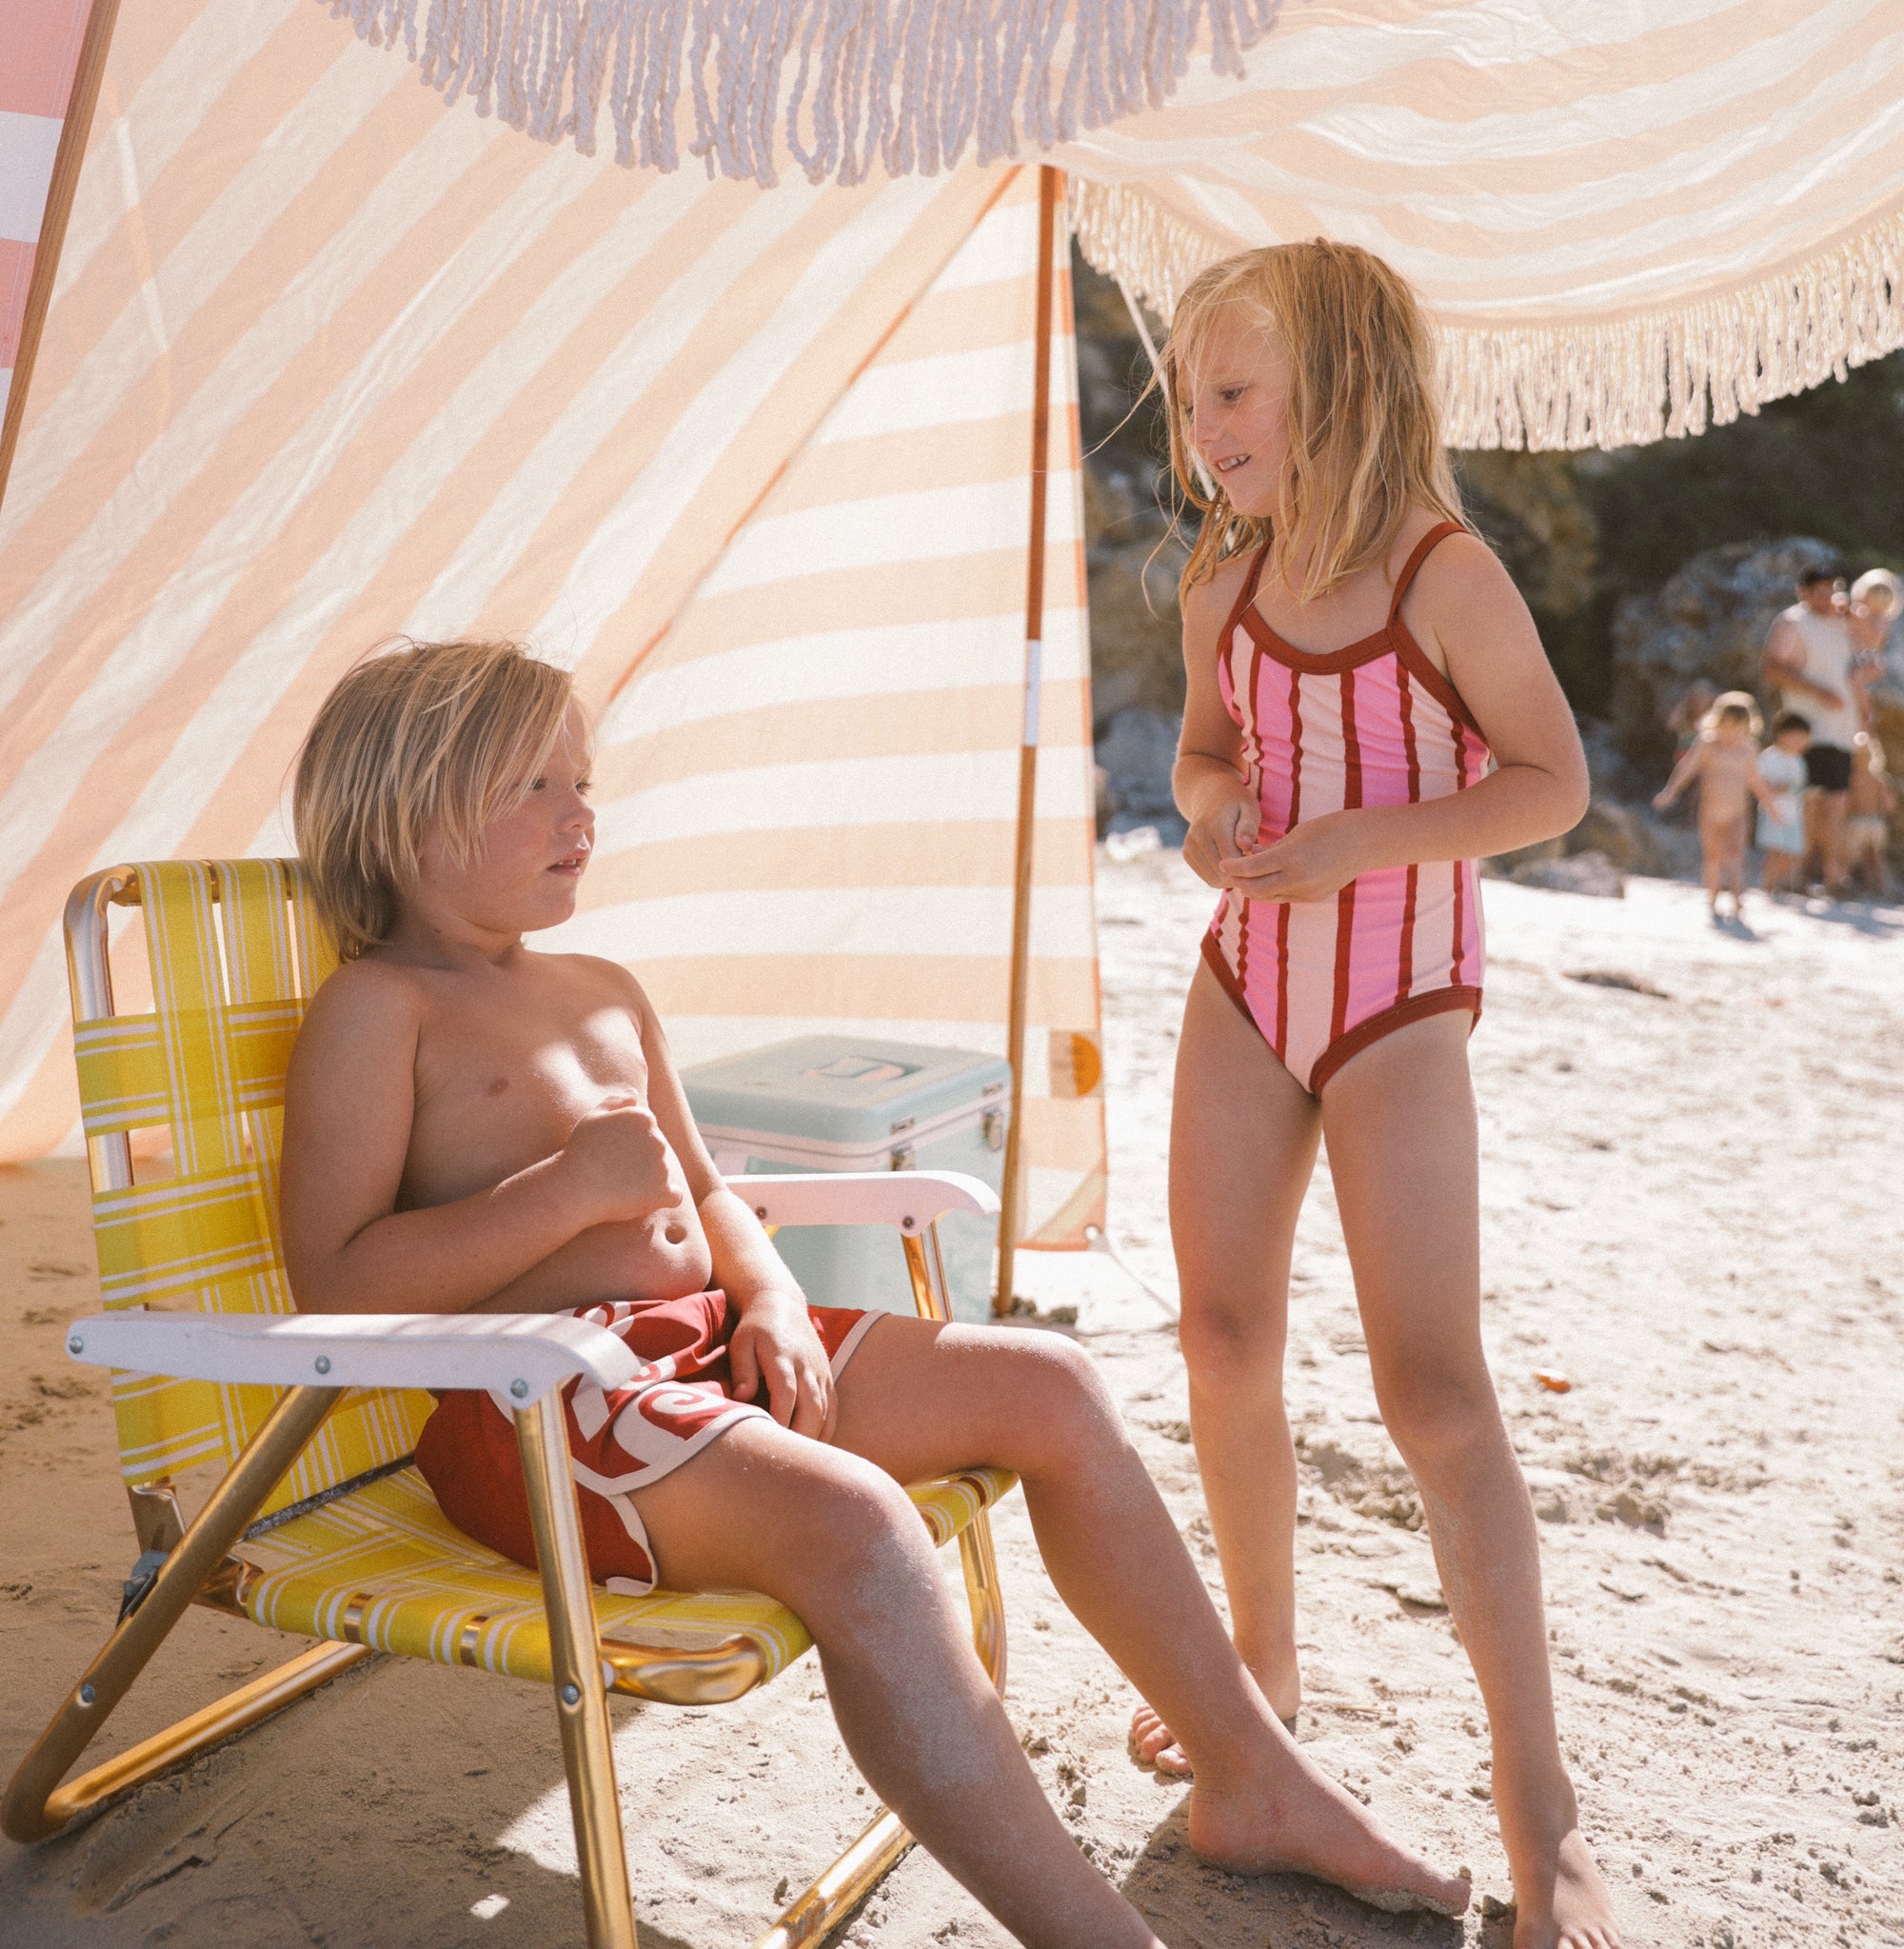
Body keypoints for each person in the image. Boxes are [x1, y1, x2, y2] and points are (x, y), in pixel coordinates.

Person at [276, 639, 1467, 1949]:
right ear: (410, 815)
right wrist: (560, 1196)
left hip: (711, 1352)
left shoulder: (603, 991)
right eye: (536, 786)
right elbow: (334, 1284)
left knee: (1049, 1383)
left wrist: (773, 1298)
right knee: (860, 1526)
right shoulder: (378, 1011)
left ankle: (1251, 1778)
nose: (583, 813)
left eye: (582, 778)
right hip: (546, 1401)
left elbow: (713, 1200)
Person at [1127, 240, 1620, 1949]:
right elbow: (1204, 751)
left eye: (1235, 394)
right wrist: (1209, 814)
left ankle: (1540, 1816)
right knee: (1218, 1338)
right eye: (1192, 400)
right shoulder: (1224, 583)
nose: (1205, 432)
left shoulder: (1444, 574)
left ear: (1337, 390)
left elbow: (1551, 784)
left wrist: (1359, 844)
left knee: (1434, 1395)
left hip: (1401, 997)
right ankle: (1259, 1682)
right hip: (1247, 982)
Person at [1762, 564, 1857, 891]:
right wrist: (1817, 691)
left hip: (1843, 729)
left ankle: (1829, 875)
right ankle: (1804, 875)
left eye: (1833, 588)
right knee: (1815, 804)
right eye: (1820, 591)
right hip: (1810, 730)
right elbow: (1773, 669)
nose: (1828, 597)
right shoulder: (1793, 622)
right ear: (1803, 591)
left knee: (1834, 804)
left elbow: (1875, 633)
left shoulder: (1840, 619)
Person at [1650, 690, 1776, 921]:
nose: (1731, 734)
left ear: (1748, 728)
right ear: (1716, 722)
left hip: (1738, 815)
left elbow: (1757, 782)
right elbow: (1686, 769)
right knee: (1713, 858)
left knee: (1737, 856)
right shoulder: (1707, 745)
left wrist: (1771, 808)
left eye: (1737, 728)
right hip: (1710, 814)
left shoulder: (1749, 750)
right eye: (1725, 726)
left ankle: (1738, 898)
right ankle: (1713, 897)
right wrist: (1670, 792)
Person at [1755, 714, 1811, 895]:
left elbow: (1800, 787)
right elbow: (1759, 783)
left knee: (1790, 852)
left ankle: (1784, 885)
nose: (1800, 742)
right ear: (1782, 734)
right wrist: (1779, 788)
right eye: (1797, 737)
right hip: (1774, 811)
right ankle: (1768, 885)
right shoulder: (1770, 757)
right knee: (1775, 852)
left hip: (1794, 813)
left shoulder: (1798, 760)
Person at [1848, 567, 1901, 727]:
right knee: (1856, 681)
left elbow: (1874, 641)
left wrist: (1862, 618)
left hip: (1870, 659)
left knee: (1857, 679)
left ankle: (1867, 714)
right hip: (1863, 657)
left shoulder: (1880, 620)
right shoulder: (1866, 614)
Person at [1843, 729, 1895, 893]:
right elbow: (1889, 805)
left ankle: (1848, 883)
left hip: (1858, 822)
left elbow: (1847, 802)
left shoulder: (1851, 778)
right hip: (1875, 823)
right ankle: (1877, 887)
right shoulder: (1879, 779)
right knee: (1874, 856)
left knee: (1850, 857)